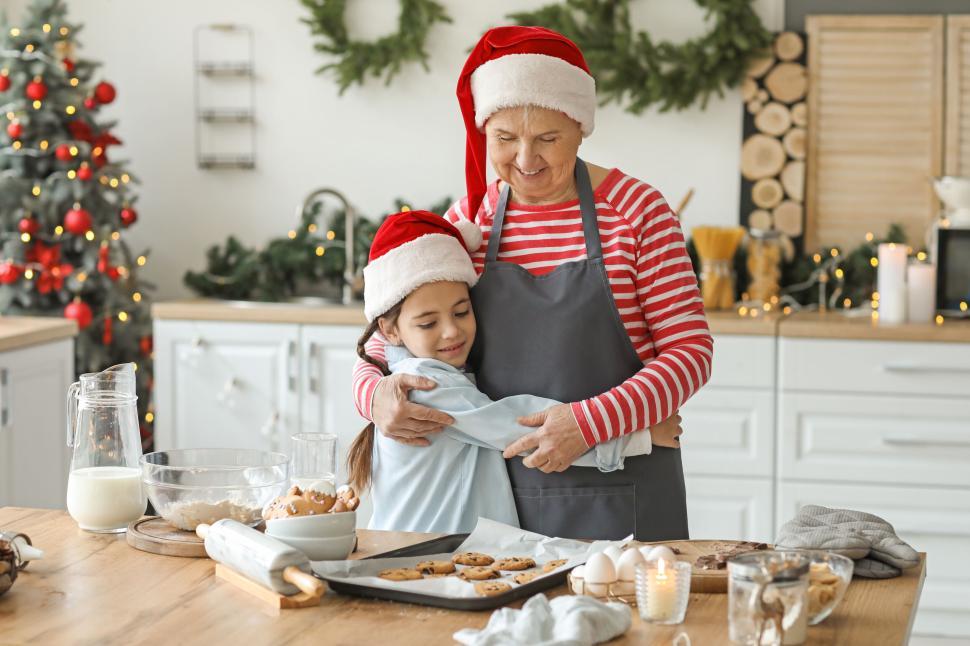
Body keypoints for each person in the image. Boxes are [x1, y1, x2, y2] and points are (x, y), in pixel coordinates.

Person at [353, 26, 713, 541]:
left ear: (580, 126)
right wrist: (376, 398)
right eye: (504, 139)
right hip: (502, 510)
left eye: (547, 138)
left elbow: (690, 353)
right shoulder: (471, 221)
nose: (525, 160)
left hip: (626, 497)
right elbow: (387, 341)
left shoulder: (638, 212)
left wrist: (592, 424)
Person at [348, 209, 680, 534]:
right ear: (390, 331)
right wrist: (639, 437)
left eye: (462, 312)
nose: (451, 331)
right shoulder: (426, 385)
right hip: (422, 560)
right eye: (428, 323)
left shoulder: (423, 368)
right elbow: (519, 426)